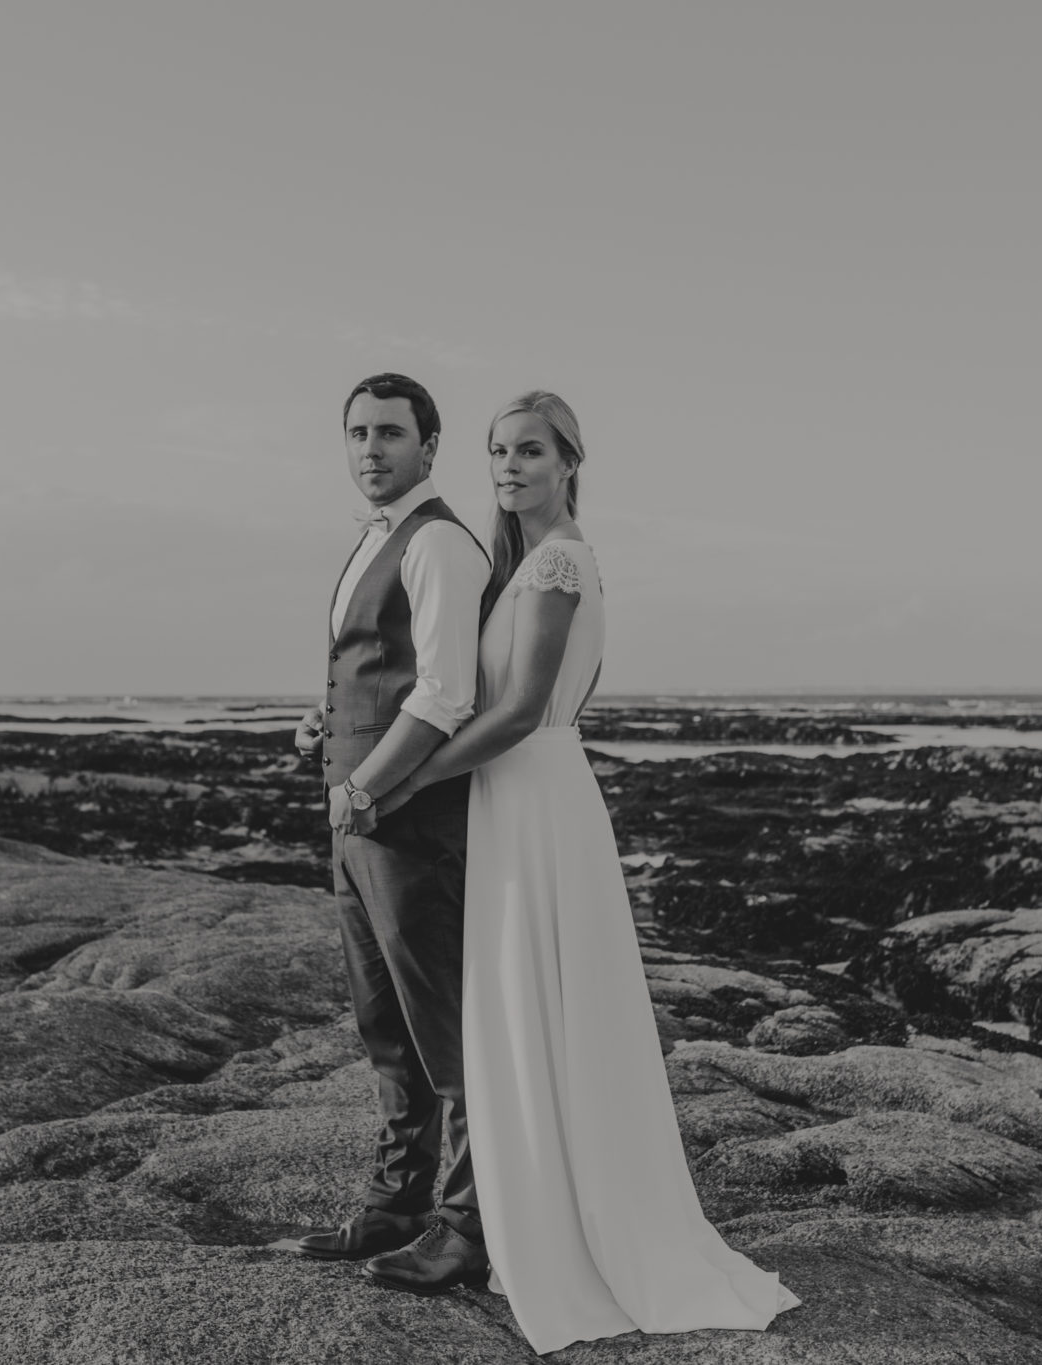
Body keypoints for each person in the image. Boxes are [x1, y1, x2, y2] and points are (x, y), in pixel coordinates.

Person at [367, 391, 801, 1352]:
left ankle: (540, 1227)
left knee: (536, 1003)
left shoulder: (560, 561)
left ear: (569, 462)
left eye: (529, 451)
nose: (509, 468)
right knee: (526, 1009)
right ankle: (510, 1213)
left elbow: (523, 711)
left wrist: (401, 781)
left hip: (536, 799)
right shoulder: (522, 566)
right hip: (519, 798)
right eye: (496, 453)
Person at [284, 373, 494, 1292]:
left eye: (391, 434)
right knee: (382, 1024)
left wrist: (365, 781)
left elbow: (445, 693)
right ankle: (399, 1202)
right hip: (355, 818)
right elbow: (373, 672)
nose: (371, 450)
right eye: (358, 434)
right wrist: (323, 727)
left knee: (441, 1028)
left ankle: (464, 1224)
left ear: (429, 444)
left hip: (403, 820)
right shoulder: (374, 541)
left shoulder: (440, 542)